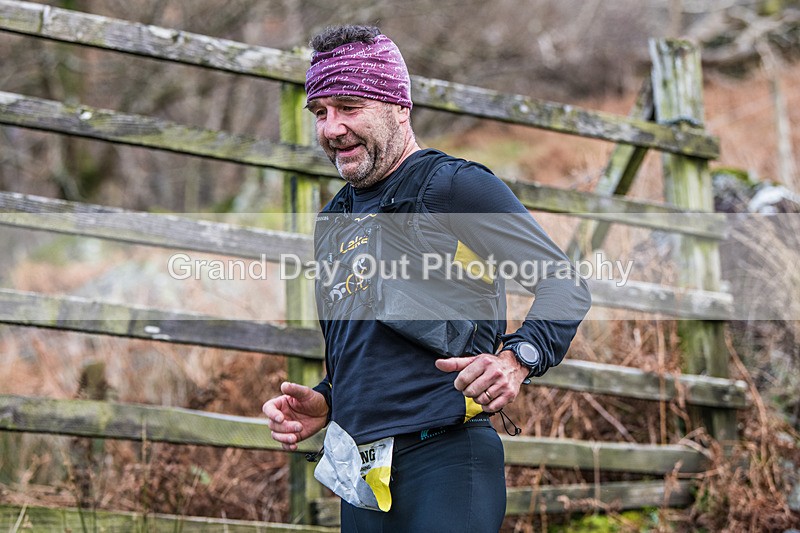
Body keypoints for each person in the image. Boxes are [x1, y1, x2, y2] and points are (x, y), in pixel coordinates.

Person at [263, 25, 591, 532]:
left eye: (349, 107)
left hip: (448, 460)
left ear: (399, 105)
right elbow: (375, 343)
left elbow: (562, 281)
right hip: (365, 476)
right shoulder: (336, 217)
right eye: (320, 112)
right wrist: (328, 400)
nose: (331, 129)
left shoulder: (453, 187)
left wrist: (518, 358)